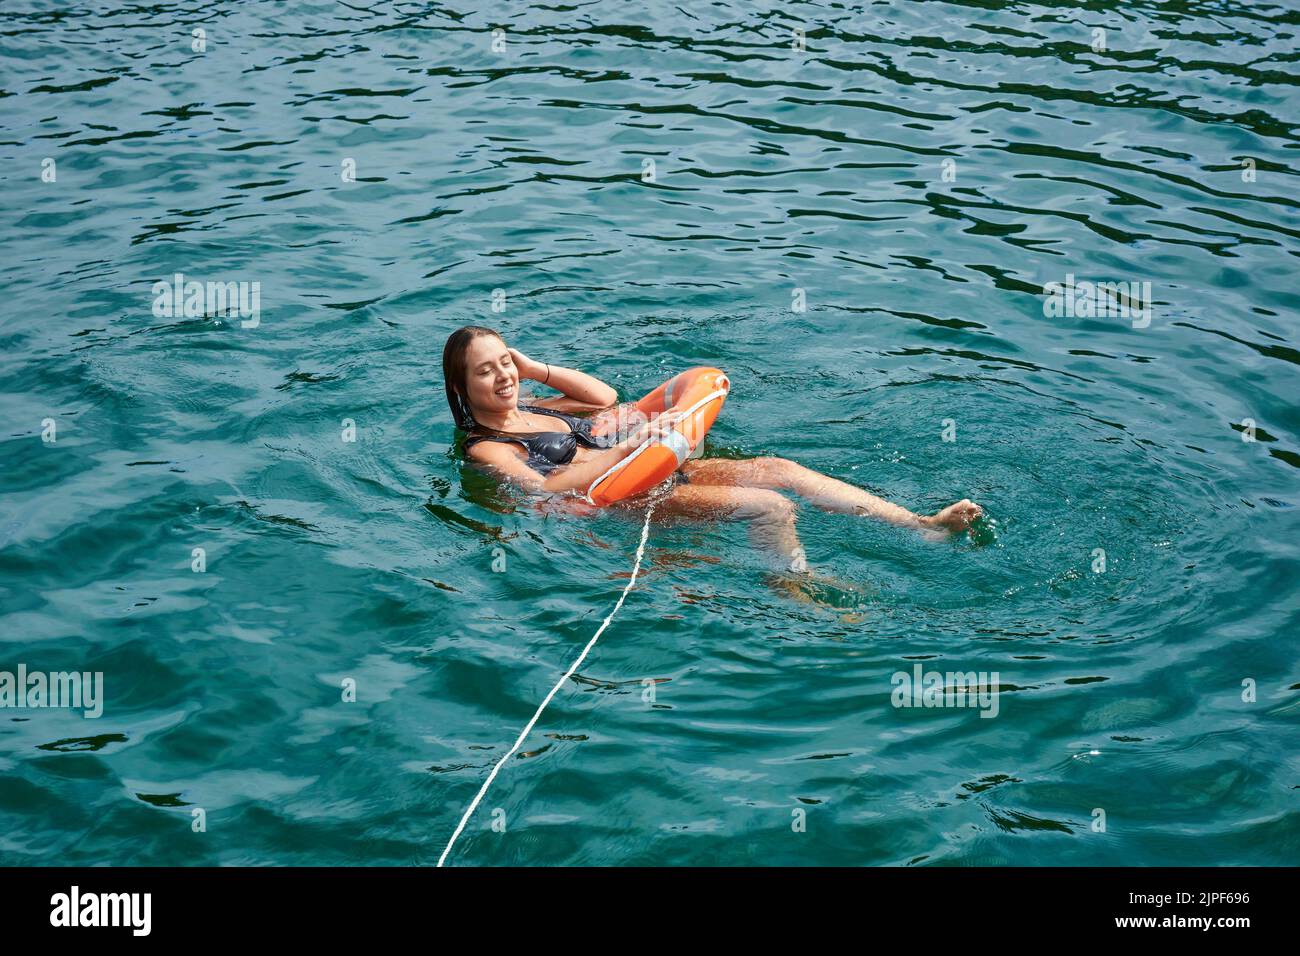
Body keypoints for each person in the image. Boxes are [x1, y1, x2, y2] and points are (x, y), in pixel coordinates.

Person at [443, 325, 983, 574]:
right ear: (463, 389)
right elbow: (545, 486)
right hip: (619, 499)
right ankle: (798, 586)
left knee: (781, 469)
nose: (502, 376)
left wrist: (531, 365)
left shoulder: (539, 404)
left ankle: (921, 524)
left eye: (504, 361)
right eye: (485, 371)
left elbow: (603, 396)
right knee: (772, 505)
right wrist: (632, 445)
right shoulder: (486, 448)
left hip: (647, 465)